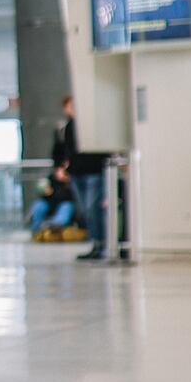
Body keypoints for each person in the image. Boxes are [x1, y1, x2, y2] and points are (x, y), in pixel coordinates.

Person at [52, 93, 110, 261]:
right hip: (77, 174)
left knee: (93, 209)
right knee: (85, 210)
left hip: (94, 172)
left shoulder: (92, 126)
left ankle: (102, 244)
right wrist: (61, 168)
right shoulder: (66, 128)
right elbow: (60, 151)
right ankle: (96, 243)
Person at [29, 166, 78, 237]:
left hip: (64, 205)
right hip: (50, 204)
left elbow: (71, 197)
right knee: (39, 205)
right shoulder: (49, 181)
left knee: (66, 206)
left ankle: (55, 226)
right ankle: (36, 228)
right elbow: (42, 195)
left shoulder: (72, 182)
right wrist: (47, 193)